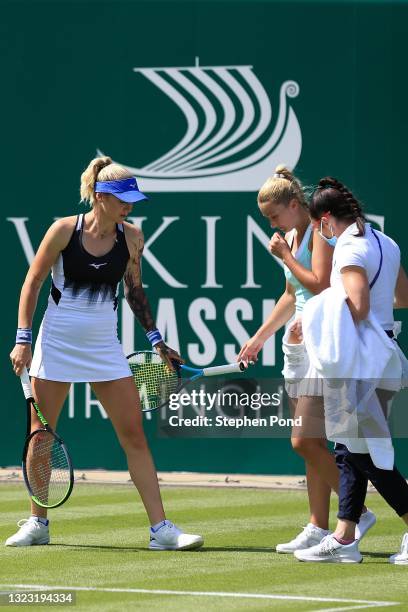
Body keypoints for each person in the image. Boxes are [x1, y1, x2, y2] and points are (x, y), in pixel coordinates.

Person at [7, 156, 203, 551]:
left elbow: (135, 292)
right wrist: (23, 339)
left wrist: (156, 341)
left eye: (132, 200)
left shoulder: (131, 237)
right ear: (100, 197)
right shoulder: (63, 230)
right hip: (56, 342)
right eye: (123, 199)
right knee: (41, 436)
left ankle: (161, 529)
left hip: (103, 346)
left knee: (134, 435)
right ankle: (37, 522)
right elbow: (33, 281)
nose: (129, 206)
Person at [238, 166, 375, 553]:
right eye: (266, 218)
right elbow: (290, 294)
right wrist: (258, 338)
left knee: (303, 440)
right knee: (311, 441)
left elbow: (319, 283)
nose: (271, 224)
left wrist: (284, 253)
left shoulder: (317, 233)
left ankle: (358, 511)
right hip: (297, 345)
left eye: (274, 216)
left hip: (324, 343)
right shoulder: (294, 234)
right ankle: (317, 525)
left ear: (295, 205)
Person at [294, 176, 408, 564]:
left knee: (364, 454)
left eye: (317, 227)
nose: (319, 235)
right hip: (382, 356)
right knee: (350, 449)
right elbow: (402, 297)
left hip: (361, 362)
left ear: (326, 219)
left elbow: (356, 306)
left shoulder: (349, 248)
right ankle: (345, 538)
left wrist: (316, 313)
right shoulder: (386, 243)